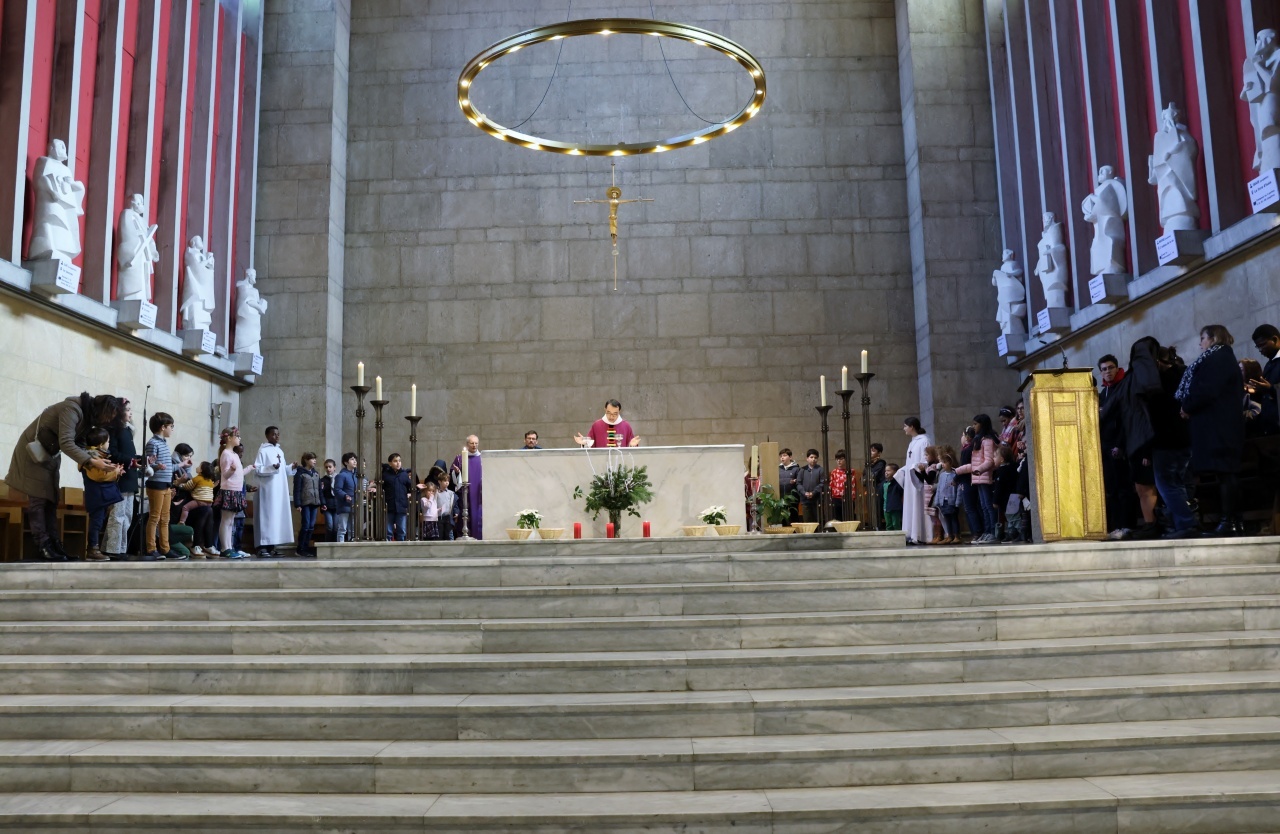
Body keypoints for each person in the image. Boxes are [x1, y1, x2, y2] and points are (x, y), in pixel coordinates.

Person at [7, 394, 121, 561]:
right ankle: (43, 545)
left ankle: (54, 545)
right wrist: (92, 461)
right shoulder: (71, 409)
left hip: (50, 455)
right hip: (33, 454)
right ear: (103, 410)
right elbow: (67, 442)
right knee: (38, 501)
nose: (108, 421)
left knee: (52, 500)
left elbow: (79, 443)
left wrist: (95, 458)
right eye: (109, 416)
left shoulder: (86, 418)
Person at [1177, 324, 1247, 535]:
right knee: (1226, 473)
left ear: (1214, 338)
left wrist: (1187, 406)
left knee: (1226, 472)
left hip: (1220, 426)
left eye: (1203, 338)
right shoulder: (1222, 357)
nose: (1201, 343)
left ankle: (1229, 522)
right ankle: (1233, 521)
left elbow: (1206, 389)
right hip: (1221, 425)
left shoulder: (1218, 358)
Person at [1149, 344, 1197, 539]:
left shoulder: (1160, 382)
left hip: (1166, 440)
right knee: (1178, 484)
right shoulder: (1183, 375)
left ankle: (1186, 523)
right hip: (1185, 437)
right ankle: (1184, 525)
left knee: (1167, 485)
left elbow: (1155, 412)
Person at [1097, 353, 1135, 537]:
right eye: (1104, 369)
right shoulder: (1102, 393)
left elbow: (1125, 419)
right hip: (1105, 444)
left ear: (1117, 368)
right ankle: (1115, 526)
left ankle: (1127, 525)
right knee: (1111, 489)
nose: (1108, 372)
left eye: (1111, 368)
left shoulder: (1124, 387)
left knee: (1123, 488)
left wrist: (1120, 444)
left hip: (1120, 444)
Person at [142, 412, 186, 561]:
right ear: (163, 427)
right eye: (171, 426)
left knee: (165, 519)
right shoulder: (152, 443)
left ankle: (165, 548)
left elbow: (168, 468)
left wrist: (182, 464)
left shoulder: (164, 444)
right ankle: (151, 548)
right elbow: (148, 465)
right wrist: (156, 466)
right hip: (156, 484)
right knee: (154, 517)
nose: (172, 429)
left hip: (166, 485)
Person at [79, 427, 125, 561]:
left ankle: (94, 548)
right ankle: (92, 549)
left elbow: (103, 474)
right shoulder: (91, 458)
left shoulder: (97, 456)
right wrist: (115, 472)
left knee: (98, 522)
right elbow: (98, 476)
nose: (109, 444)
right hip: (96, 496)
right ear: (100, 444)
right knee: (96, 523)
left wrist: (116, 471)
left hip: (100, 496)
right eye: (108, 441)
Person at [103, 399, 140, 559]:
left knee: (127, 516)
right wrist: (131, 461)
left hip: (130, 478)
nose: (131, 413)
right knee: (117, 516)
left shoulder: (127, 431)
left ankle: (120, 548)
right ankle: (112, 549)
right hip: (120, 477)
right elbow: (112, 453)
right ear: (118, 412)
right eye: (127, 410)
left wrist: (141, 460)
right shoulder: (113, 430)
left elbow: (129, 455)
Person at [253, 426, 296, 557]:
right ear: (267, 436)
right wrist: (271, 468)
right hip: (268, 490)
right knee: (266, 517)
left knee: (276, 518)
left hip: (279, 490)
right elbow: (258, 469)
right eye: (273, 434)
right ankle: (262, 548)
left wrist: (291, 467)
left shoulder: (279, 451)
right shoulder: (263, 451)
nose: (276, 436)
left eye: (278, 434)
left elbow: (283, 471)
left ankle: (272, 547)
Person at [955, 415, 999, 543]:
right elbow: (975, 463)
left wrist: (979, 470)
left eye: (976, 424)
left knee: (989, 506)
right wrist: (958, 470)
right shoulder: (979, 440)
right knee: (984, 506)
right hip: (979, 477)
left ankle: (993, 532)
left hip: (985, 476)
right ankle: (987, 532)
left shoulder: (988, 440)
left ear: (982, 424)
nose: (973, 426)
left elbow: (989, 461)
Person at [214, 428, 251, 559]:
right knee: (226, 521)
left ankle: (230, 547)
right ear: (229, 438)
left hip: (236, 491)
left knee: (231, 522)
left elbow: (239, 473)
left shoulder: (234, 454)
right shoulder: (226, 454)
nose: (239, 438)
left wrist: (250, 468)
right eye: (237, 436)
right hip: (228, 490)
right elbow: (225, 474)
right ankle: (225, 548)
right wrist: (231, 470)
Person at [895, 417, 932, 544]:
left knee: (918, 505)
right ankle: (911, 533)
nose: (904, 428)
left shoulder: (924, 441)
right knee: (911, 505)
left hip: (918, 479)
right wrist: (903, 470)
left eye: (905, 426)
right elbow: (911, 461)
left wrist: (915, 468)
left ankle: (921, 535)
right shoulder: (912, 443)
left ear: (912, 427)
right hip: (910, 479)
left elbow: (926, 460)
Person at [1250, 324, 1280, 436]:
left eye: (1262, 345)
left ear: (1275, 340)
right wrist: (1255, 391)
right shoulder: (1269, 364)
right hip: (1271, 427)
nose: (1260, 350)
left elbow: (1272, 389)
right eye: (1258, 347)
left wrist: (1270, 389)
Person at [574, 399, 641, 448]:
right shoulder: (597, 425)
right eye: (609, 413)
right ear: (605, 409)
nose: (611, 417)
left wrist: (632, 445)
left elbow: (631, 448)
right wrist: (585, 443)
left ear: (619, 411)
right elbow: (590, 446)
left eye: (615, 414)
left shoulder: (626, 426)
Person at [452, 436, 483, 539]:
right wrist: (457, 473)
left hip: (479, 494)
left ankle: (478, 538)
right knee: (464, 516)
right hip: (464, 494)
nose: (474, 445)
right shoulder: (459, 458)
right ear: (467, 444)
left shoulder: (483, 458)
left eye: (476, 443)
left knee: (478, 517)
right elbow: (452, 478)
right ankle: (464, 536)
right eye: (472, 443)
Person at [293, 452, 322, 556]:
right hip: (305, 503)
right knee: (305, 526)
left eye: (315, 459)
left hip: (314, 503)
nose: (314, 461)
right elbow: (297, 490)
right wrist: (298, 504)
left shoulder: (316, 474)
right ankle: (300, 548)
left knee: (311, 526)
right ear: (306, 460)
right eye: (312, 459)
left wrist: (322, 502)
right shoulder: (300, 474)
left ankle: (306, 547)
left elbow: (319, 489)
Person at [382, 452, 413, 541]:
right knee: (388, 529)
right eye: (395, 461)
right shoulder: (385, 475)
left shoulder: (404, 474)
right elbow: (381, 487)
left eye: (399, 461)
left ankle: (401, 546)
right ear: (390, 463)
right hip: (389, 504)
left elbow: (410, 486)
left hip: (401, 505)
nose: (398, 463)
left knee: (402, 529)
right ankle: (388, 544)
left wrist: (412, 491)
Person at [991, 445, 1019, 542]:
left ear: (1002, 459)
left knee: (1013, 518)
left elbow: (998, 488)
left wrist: (995, 501)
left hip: (1008, 500)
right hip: (1013, 498)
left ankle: (1019, 532)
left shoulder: (1001, 471)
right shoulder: (1014, 467)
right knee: (1011, 517)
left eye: (995, 456)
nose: (993, 458)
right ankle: (1012, 533)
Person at [932, 449, 959, 544]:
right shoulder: (942, 475)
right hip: (943, 501)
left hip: (952, 501)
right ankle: (949, 535)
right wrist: (937, 501)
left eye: (945, 462)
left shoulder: (955, 474)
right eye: (942, 462)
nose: (943, 464)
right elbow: (939, 488)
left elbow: (958, 489)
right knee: (947, 519)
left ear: (950, 463)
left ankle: (957, 536)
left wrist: (957, 501)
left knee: (954, 518)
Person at [332, 453, 358, 543]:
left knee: (353, 529)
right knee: (342, 528)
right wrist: (345, 495)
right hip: (344, 505)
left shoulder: (357, 476)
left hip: (355, 504)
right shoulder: (342, 475)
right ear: (346, 462)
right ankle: (340, 547)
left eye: (355, 459)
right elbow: (337, 489)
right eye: (352, 459)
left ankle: (352, 546)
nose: (355, 461)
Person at [795, 449, 825, 524]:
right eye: (811, 457)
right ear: (807, 458)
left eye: (815, 457)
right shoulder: (802, 470)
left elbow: (822, 483)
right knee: (807, 521)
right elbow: (798, 483)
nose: (813, 459)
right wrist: (804, 492)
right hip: (805, 500)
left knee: (818, 521)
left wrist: (813, 492)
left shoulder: (820, 470)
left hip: (817, 500)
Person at [867, 443, 886, 529]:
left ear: (879, 453)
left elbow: (874, 475)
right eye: (870, 450)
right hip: (871, 488)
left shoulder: (881, 463)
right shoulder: (869, 463)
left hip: (879, 488)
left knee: (878, 507)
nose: (870, 452)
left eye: (873, 451)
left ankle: (879, 526)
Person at [828, 450, 850, 523]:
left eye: (841, 459)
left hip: (847, 498)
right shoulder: (834, 472)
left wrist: (852, 498)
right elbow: (831, 485)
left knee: (847, 518)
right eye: (837, 459)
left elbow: (852, 485)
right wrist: (831, 497)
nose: (839, 461)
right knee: (837, 518)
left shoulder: (850, 471)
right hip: (836, 498)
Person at [434, 468, 456, 541]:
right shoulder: (436, 493)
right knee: (439, 534)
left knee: (449, 533)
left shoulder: (450, 493)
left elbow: (453, 504)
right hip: (439, 517)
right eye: (445, 481)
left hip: (448, 516)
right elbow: (434, 503)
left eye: (448, 481)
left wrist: (455, 512)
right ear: (439, 482)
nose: (447, 483)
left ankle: (451, 545)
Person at [320, 459, 338, 543]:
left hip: (337, 506)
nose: (328, 469)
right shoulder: (323, 480)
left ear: (334, 467)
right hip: (327, 506)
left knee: (336, 527)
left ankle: (335, 544)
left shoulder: (338, 478)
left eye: (330, 467)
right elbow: (321, 493)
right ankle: (327, 544)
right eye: (326, 467)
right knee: (329, 526)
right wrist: (323, 504)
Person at [883, 463, 903, 531]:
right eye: (885, 471)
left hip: (895, 507)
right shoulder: (884, 483)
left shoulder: (897, 483)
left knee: (895, 524)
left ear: (895, 472)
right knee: (888, 524)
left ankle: (898, 536)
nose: (886, 472)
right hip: (886, 507)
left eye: (888, 471)